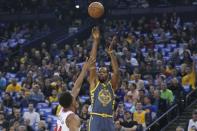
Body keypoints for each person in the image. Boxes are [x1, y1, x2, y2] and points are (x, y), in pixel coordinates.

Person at [88, 27, 120, 131]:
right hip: (96, 118)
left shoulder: (112, 85)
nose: (101, 73)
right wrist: (95, 42)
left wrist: (111, 53)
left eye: (104, 72)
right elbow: (92, 61)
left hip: (109, 119)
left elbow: (116, 72)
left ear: (108, 74)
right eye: (99, 71)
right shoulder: (94, 83)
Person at [55, 57, 95, 131]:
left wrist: (84, 69)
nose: (76, 99)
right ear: (71, 102)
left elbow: (76, 87)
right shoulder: (72, 118)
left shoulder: (62, 110)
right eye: (74, 98)